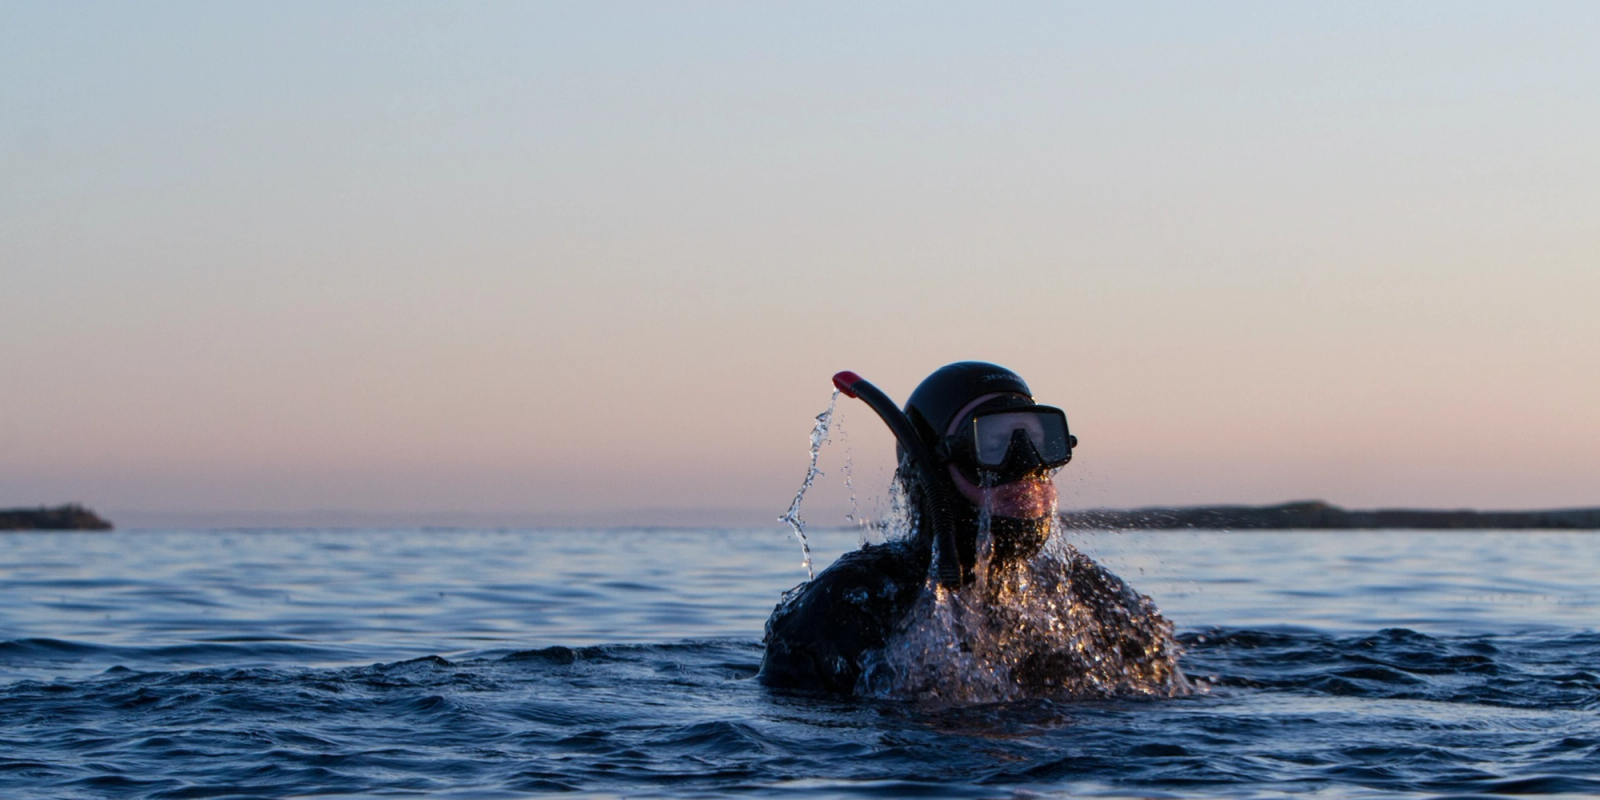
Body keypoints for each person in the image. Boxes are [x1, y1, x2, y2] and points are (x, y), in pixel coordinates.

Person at [758, 362, 1184, 698]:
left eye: (1041, 441)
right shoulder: (851, 604)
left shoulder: (1089, 598)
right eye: (994, 445)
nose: (1027, 465)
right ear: (932, 475)